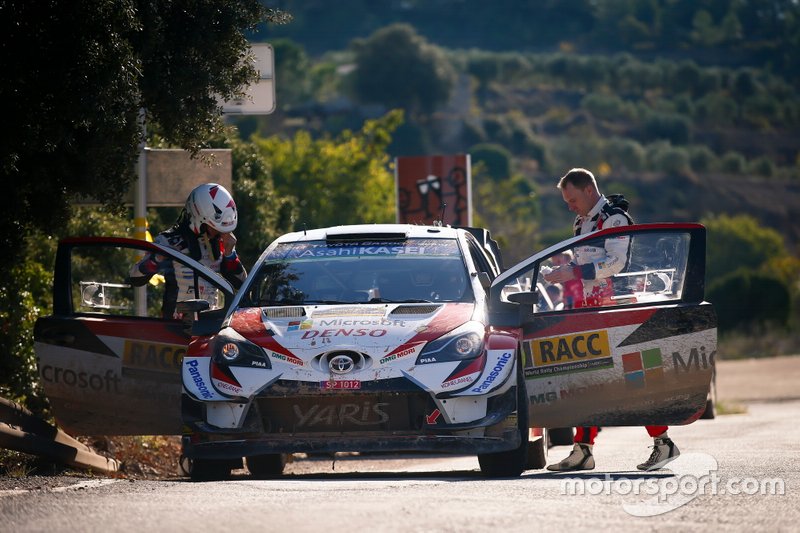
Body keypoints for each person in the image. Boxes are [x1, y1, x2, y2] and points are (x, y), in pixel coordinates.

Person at [543, 168, 679, 472]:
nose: (570, 206)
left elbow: (616, 263)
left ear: (589, 190)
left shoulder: (614, 218)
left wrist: (573, 273)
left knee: (632, 379)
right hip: (587, 310)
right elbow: (585, 263)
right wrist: (560, 274)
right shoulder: (581, 221)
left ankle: (664, 443)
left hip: (614, 310)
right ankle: (583, 449)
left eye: (573, 199)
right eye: (567, 202)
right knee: (586, 379)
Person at [130, 183, 247, 318]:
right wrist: (157, 258)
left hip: (210, 324)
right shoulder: (167, 241)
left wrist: (229, 254)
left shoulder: (222, 242)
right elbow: (135, 278)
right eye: (215, 228)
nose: (220, 233)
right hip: (175, 326)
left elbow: (241, 284)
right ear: (198, 217)